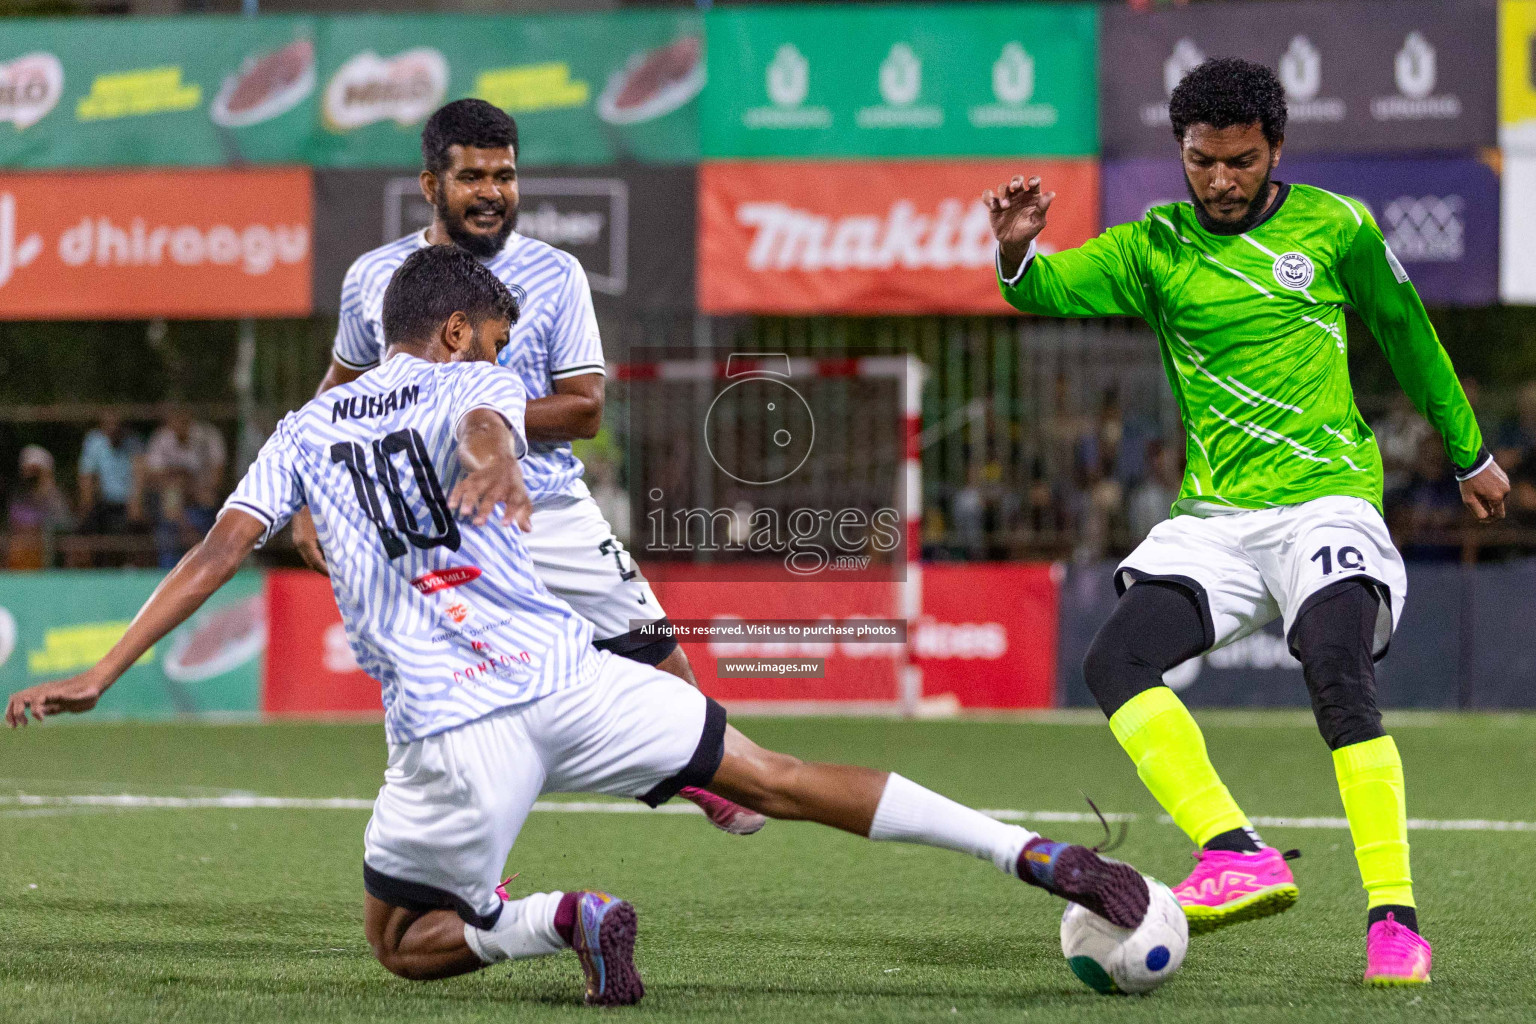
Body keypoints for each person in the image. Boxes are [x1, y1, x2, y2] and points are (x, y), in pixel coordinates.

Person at [5, 247, 1156, 1005]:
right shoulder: (477, 383)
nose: (504, 356)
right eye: (497, 338)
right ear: (456, 331)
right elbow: (493, 434)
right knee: (781, 773)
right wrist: (499, 459)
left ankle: (563, 917)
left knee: (398, 945)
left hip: (459, 732)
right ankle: (1042, 855)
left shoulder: (302, 429)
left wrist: (104, 668)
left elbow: (218, 550)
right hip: (575, 680)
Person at [984, 57, 1510, 986]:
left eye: (1240, 161)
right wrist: (1018, 252)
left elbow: (1408, 333)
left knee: (1337, 665)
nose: (1221, 181)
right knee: (1113, 661)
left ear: (1275, 149)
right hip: (1217, 517)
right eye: (1201, 162)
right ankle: (1236, 851)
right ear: (1181, 153)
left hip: (1325, 500)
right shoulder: (1156, 246)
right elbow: (1044, 292)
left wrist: (1469, 453)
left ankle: (1395, 922)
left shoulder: (1336, 226)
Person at [296, 99, 759, 835]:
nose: (492, 192)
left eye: (505, 177)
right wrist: (303, 498)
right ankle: (456, 864)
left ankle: (716, 773)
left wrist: (467, 406)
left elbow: (584, 408)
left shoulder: (556, 273)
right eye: (472, 176)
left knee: (655, 650)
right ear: (429, 185)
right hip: (432, 522)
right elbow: (340, 389)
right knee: (436, 696)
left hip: (543, 505)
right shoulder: (373, 277)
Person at [145, 409, 227, 568]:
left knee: (182, 489)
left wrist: (190, 486)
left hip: (201, 500)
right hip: (173, 503)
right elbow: (154, 478)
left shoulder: (209, 437)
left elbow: (217, 480)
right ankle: (185, 530)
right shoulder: (161, 438)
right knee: (174, 488)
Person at [78, 413, 146, 564]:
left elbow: (139, 474)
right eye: (109, 425)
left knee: (136, 523)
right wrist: (86, 503)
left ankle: (131, 566)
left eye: (116, 425)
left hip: (127, 502)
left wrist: (135, 501)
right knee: (88, 522)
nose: (113, 429)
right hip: (103, 502)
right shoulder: (94, 441)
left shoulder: (133, 443)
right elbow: (86, 476)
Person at [5, 445, 74, 570]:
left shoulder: (55, 498)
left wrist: (46, 488)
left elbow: (64, 525)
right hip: (19, 563)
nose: (30, 475)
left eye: (35, 471)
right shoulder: (18, 498)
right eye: (27, 470)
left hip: (48, 562)